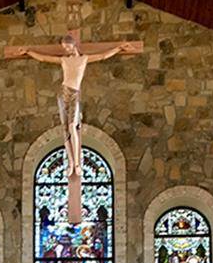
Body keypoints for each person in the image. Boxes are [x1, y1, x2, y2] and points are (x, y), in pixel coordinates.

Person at [16, 37, 133, 176]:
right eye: (64, 48)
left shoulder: (83, 59)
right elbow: (44, 58)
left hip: (74, 94)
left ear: (74, 45)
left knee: (72, 126)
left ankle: (77, 163)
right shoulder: (64, 60)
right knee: (65, 130)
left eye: (68, 47)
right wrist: (28, 51)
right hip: (63, 93)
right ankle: (70, 163)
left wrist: (119, 48)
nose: (66, 50)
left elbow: (103, 55)